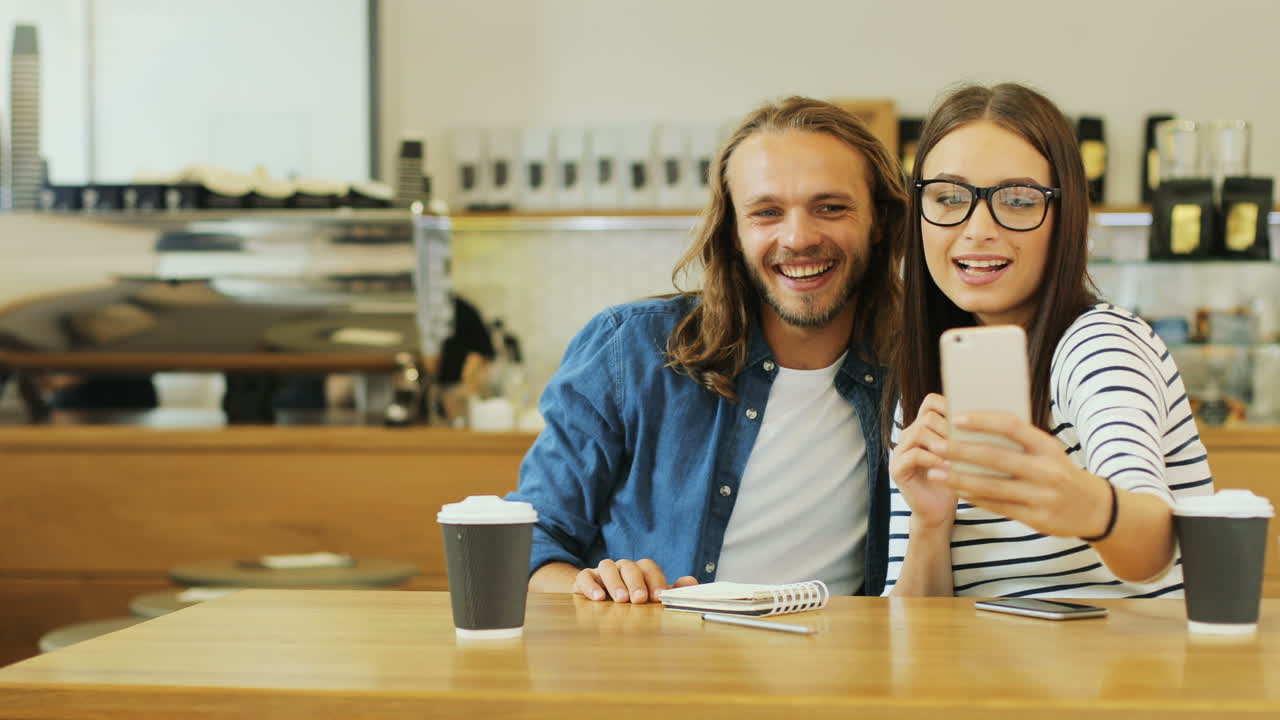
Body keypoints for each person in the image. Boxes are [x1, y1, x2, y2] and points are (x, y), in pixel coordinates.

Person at [507, 97, 907, 604]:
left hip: (839, 673)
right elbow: (528, 544)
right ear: (733, 233)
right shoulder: (630, 351)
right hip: (664, 672)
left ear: (880, 222)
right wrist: (599, 591)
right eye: (766, 212)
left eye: (831, 207)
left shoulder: (917, 370)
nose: (799, 236)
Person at [884, 83, 1214, 599]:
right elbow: (911, 634)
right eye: (949, 197)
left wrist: (1087, 506)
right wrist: (930, 525)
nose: (977, 229)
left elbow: (1155, 543)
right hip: (984, 677)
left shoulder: (1100, 344)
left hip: (1126, 676)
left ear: (1065, 216)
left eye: (1018, 200)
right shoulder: (922, 385)